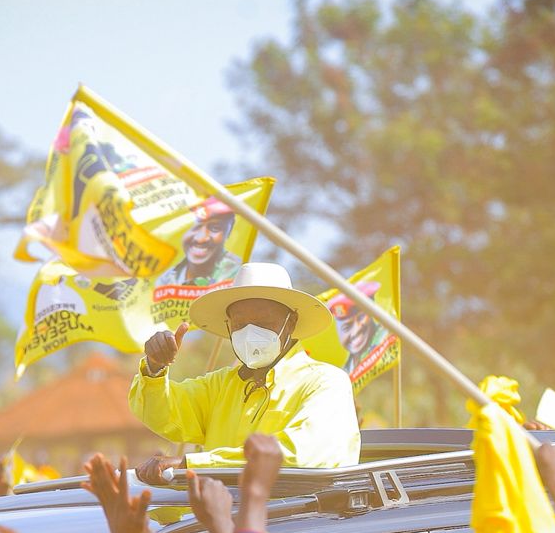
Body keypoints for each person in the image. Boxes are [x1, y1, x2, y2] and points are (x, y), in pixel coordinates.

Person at [129, 262, 360, 482]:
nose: (250, 333)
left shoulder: (325, 383)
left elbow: (304, 455)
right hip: (221, 518)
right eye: (240, 325)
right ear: (229, 327)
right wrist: (154, 368)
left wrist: (193, 466)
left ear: (291, 323)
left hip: (294, 520)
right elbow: (163, 415)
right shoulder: (220, 385)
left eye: (263, 322)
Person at [155, 199, 241, 289]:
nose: (201, 239)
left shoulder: (239, 275)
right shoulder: (166, 280)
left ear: (229, 232)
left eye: (215, 228)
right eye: (194, 227)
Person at [324, 282, 389, 377]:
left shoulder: (386, 339)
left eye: (361, 318)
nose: (356, 330)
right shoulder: (345, 371)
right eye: (347, 327)